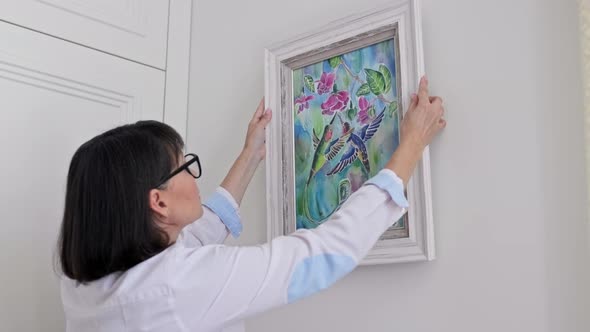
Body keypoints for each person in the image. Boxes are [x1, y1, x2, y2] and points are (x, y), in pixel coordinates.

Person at [57, 76, 445, 332]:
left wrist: (250, 154)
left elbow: (199, 231)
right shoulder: (179, 287)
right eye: (185, 167)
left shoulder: (82, 285)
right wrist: (411, 143)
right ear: (158, 202)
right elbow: (323, 254)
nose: (195, 176)